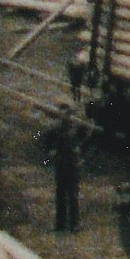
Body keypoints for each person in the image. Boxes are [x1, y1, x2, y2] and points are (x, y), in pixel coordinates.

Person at [46, 100, 88, 233]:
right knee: (60, 195)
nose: (65, 116)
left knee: (73, 196)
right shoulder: (55, 129)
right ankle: (60, 224)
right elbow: (46, 141)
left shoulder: (77, 129)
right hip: (61, 164)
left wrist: (80, 151)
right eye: (62, 113)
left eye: (68, 114)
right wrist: (51, 151)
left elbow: (87, 137)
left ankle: (74, 224)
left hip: (73, 165)